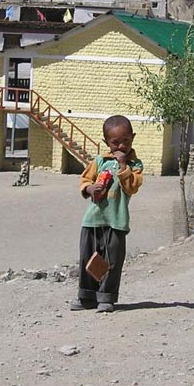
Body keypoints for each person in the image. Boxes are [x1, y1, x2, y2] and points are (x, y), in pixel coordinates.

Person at [71, 115, 144, 313]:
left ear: (132, 138)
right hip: (93, 219)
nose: (121, 146)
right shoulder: (100, 161)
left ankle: (107, 297)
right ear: (106, 143)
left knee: (112, 260)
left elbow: (131, 187)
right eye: (115, 142)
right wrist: (89, 189)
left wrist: (123, 167)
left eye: (126, 141)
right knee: (88, 256)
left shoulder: (135, 165)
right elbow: (85, 179)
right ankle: (86, 295)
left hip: (116, 221)